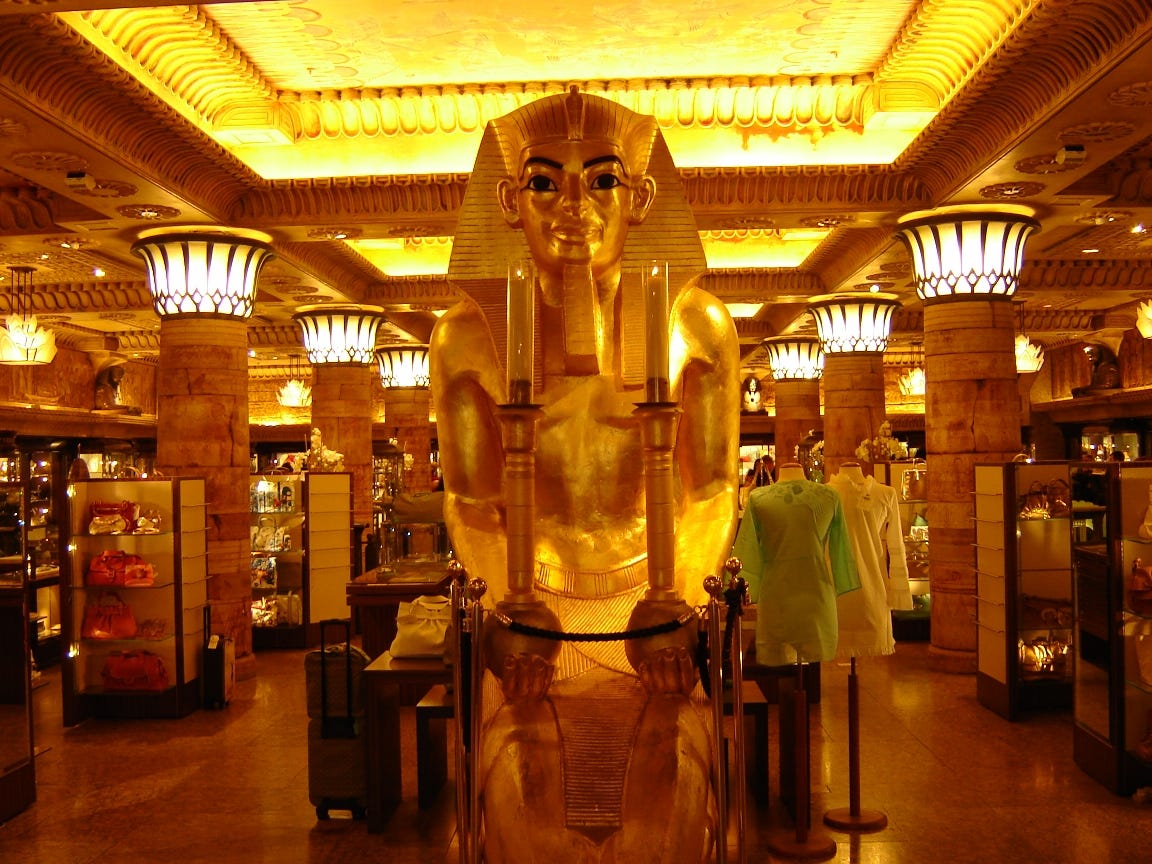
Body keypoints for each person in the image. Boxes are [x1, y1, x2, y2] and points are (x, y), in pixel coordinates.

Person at [430, 88, 740, 863]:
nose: (574, 206)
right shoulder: (466, 341)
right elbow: (472, 506)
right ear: (507, 201)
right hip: (527, 611)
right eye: (544, 181)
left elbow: (709, 492)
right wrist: (513, 617)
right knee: (524, 814)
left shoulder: (697, 329)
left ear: (641, 198)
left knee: (667, 811)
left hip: (654, 607)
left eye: (601, 180)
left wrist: (675, 611)